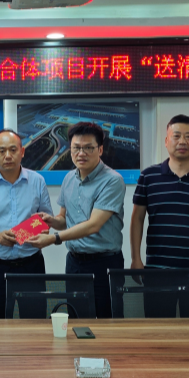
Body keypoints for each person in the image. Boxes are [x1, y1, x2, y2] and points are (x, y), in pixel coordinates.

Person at [131, 114, 189, 318]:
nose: (182, 141)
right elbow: (137, 219)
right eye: (176, 136)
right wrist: (136, 258)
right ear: (166, 141)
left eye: (188, 136)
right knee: (158, 328)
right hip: (157, 269)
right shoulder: (148, 176)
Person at [28, 122, 126, 318]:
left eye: (88, 148)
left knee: (107, 321)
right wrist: (50, 220)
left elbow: (93, 225)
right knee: (76, 318)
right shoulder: (69, 179)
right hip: (74, 263)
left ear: (100, 150)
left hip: (105, 263)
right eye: (76, 148)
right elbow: (64, 219)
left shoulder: (112, 180)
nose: (81, 153)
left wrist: (54, 238)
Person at [0, 129, 53, 319]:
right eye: (2, 150)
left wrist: (34, 232)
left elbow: (46, 221)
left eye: (13, 150)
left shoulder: (37, 181)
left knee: (35, 322)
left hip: (32, 265)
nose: (8, 156)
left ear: (22, 152)